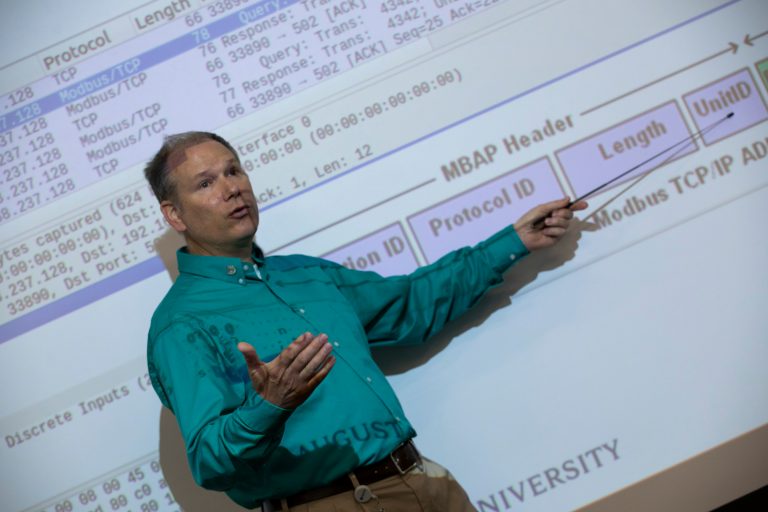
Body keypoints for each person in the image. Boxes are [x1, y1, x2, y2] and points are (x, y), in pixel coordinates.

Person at [144, 131, 587, 511]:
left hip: (422, 483)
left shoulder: (308, 274)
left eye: (234, 171)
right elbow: (210, 461)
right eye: (206, 183)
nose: (231, 189)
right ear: (174, 214)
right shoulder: (181, 324)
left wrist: (513, 241)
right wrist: (269, 405)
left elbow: (411, 302)